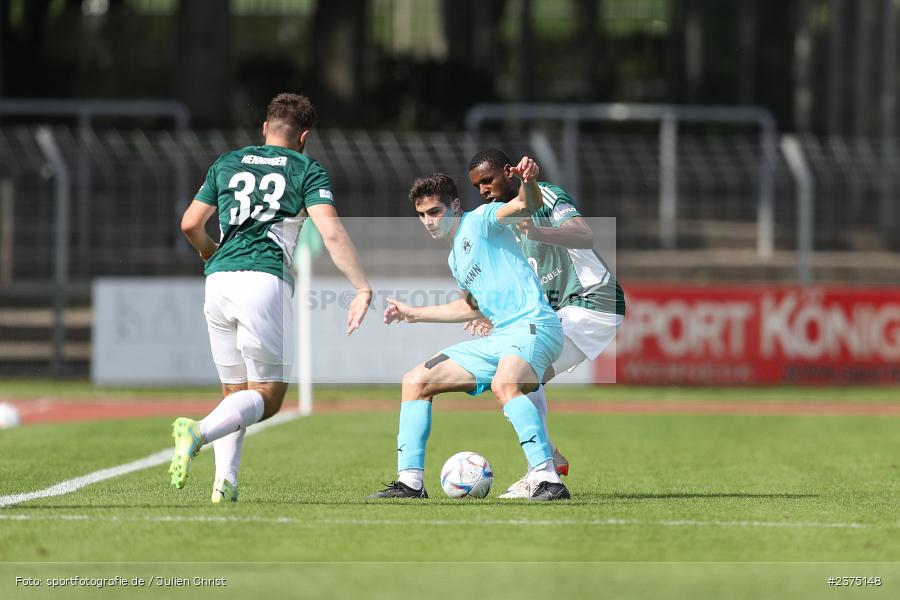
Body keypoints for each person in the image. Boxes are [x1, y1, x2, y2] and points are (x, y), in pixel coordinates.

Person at [173, 92, 372, 502]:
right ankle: (198, 432)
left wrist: (210, 252)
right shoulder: (306, 169)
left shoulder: (227, 162)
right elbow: (331, 233)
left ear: (265, 128)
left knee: (235, 394)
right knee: (270, 397)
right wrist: (361, 286)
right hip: (264, 279)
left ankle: (224, 485)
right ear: (304, 137)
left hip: (218, 282)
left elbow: (190, 224)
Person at [369, 159, 570, 502]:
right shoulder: (455, 260)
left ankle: (548, 479)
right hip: (503, 338)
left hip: (535, 325)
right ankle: (410, 483)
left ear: (455, 206)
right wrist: (415, 313)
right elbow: (471, 307)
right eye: (422, 215)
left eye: (435, 211)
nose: (429, 221)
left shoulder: (481, 219)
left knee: (504, 384)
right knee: (415, 381)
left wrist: (530, 181)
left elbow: (526, 204)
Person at [466, 148, 626, 498]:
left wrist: (539, 232)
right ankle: (546, 461)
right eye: (477, 186)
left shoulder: (547, 195)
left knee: (516, 378)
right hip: (562, 311)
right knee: (514, 378)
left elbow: (583, 235)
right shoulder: (504, 225)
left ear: (509, 171)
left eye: (488, 180)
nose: (483, 190)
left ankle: (544, 471)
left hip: (592, 300)